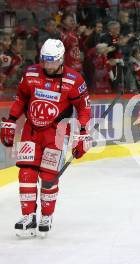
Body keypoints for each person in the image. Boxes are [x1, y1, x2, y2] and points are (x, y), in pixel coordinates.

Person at [0, 39, 91, 237]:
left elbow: (84, 109)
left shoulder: (74, 80)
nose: (47, 65)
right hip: (31, 131)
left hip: (56, 134)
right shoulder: (31, 73)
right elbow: (21, 98)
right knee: (26, 173)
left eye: (52, 61)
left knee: (49, 176)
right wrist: (11, 121)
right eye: (44, 61)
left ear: (60, 59)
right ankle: (28, 216)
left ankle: (46, 216)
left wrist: (83, 134)